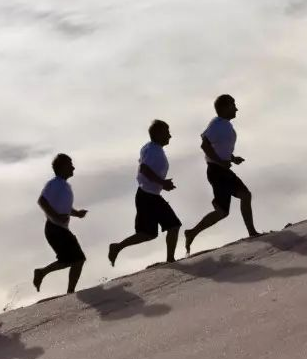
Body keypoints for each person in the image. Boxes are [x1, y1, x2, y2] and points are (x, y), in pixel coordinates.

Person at [184, 94, 260, 253]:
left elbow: (218, 145)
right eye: (233, 105)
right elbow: (204, 145)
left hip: (222, 170)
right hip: (216, 171)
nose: (236, 108)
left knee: (244, 196)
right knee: (223, 211)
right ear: (225, 107)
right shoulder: (217, 124)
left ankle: (252, 232)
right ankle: (192, 232)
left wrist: (232, 158)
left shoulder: (224, 125)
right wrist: (220, 161)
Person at [108, 120, 181, 265]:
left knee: (148, 234)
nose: (170, 136)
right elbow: (144, 169)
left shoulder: (150, 147)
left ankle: (117, 247)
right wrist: (163, 183)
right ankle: (170, 260)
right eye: (167, 132)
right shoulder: (154, 150)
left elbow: (145, 169)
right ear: (159, 133)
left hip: (147, 195)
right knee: (173, 225)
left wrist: (162, 183)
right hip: (148, 197)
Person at [32, 153, 88, 294]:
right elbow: (42, 201)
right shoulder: (55, 183)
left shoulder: (64, 185)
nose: (73, 168)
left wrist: (77, 213)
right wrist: (55, 216)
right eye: (70, 165)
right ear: (63, 167)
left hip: (58, 228)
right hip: (55, 229)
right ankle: (70, 292)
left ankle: (42, 272)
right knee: (78, 259)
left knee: (70, 260)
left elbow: (63, 207)